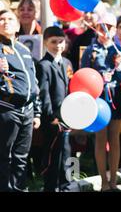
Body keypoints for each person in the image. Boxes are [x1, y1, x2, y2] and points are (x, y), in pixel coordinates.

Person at [81, 13, 121, 192]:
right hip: (98, 97)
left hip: (115, 95)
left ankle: (113, 181)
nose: (106, 30)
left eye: (110, 26)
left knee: (114, 139)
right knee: (100, 139)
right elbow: (82, 74)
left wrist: (120, 65)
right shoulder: (90, 50)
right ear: (96, 28)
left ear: (115, 29)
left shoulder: (117, 49)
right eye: (102, 26)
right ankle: (104, 181)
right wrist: (98, 78)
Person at [0, 9, 41, 192]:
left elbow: (34, 82)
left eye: (10, 19)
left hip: (28, 110)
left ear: (17, 26)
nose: (6, 22)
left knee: (21, 157)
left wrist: (37, 112)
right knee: (4, 156)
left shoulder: (24, 50)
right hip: (6, 109)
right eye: (1, 19)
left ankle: (20, 189)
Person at [36, 26, 73, 192]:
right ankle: (50, 186)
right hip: (53, 118)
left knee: (66, 152)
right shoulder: (44, 65)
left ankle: (66, 185)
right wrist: (51, 117)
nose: (58, 45)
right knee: (53, 155)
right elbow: (44, 94)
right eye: (53, 42)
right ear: (45, 43)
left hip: (67, 116)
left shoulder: (66, 62)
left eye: (60, 41)